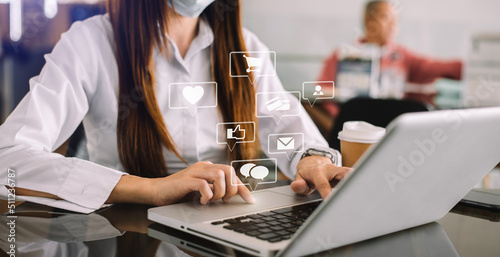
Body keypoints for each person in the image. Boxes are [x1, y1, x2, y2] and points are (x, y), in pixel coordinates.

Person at [0, 0, 351, 213]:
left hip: (226, 232)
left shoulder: (247, 48)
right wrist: (151, 189)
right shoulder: (90, 42)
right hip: (126, 234)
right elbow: (8, 159)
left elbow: (288, 129)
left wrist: (311, 161)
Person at [312, 0, 462, 133]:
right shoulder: (343, 55)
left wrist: (478, 65)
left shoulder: (402, 56)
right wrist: (342, 121)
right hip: (351, 130)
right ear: (368, 21)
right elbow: (321, 90)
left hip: (391, 130)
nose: (392, 26)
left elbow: (439, 67)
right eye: (385, 17)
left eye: (396, 20)